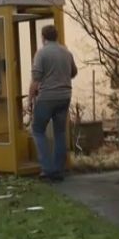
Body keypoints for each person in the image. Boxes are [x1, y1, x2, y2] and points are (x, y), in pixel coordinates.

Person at [28, 25, 78, 182]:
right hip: (65, 96)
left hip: (47, 98)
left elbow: (36, 79)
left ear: (43, 37)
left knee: (37, 130)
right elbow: (74, 72)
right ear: (56, 36)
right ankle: (58, 170)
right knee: (60, 133)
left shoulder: (41, 54)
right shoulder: (66, 52)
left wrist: (30, 99)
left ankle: (47, 169)